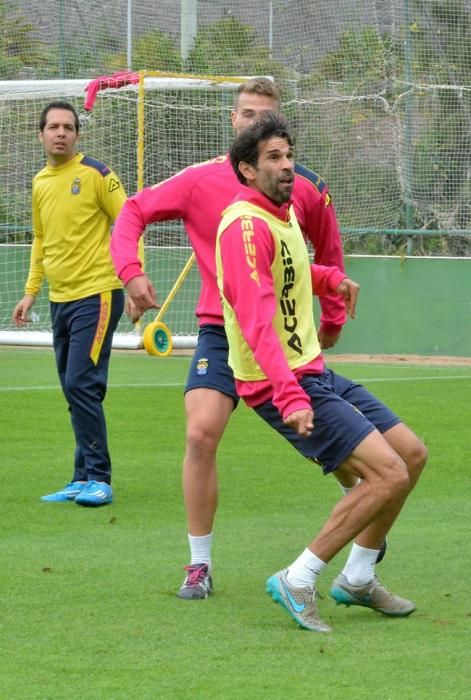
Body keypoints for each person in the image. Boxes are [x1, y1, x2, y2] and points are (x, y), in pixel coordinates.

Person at [111, 78, 362, 598]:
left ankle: (360, 498)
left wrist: (332, 321)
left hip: (287, 342)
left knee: (337, 445)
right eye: (247, 114)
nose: (254, 123)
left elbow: (329, 257)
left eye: (265, 116)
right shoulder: (201, 180)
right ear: (233, 122)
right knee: (200, 433)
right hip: (222, 334)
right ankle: (199, 565)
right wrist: (130, 270)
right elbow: (133, 209)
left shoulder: (305, 187)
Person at [215, 110, 427, 631]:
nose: (287, 166)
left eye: (289, 155)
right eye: (273, 158)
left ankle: (357, 578)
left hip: (312, 371)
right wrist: (290, 396)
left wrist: (328, 278)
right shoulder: (243, 225)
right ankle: (298, 577)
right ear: (246, 169)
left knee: (411, 455)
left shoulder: (281, 213)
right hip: (279, 382)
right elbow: (257, 321)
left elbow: (290, 269)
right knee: (386, 474)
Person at [12, 101, 127, 507]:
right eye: (53, 127)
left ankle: (100, 477)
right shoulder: (41, 181)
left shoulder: (97, 174)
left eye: (68, 127)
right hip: (60, 299)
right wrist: (30, 291)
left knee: (81, 383)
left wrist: (134, 278)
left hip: (97, 294)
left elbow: (130, 221)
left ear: (77, 134)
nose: (60, 132)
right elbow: (41, 240)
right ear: (40, 134)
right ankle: (81, 478)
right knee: (73, 387)